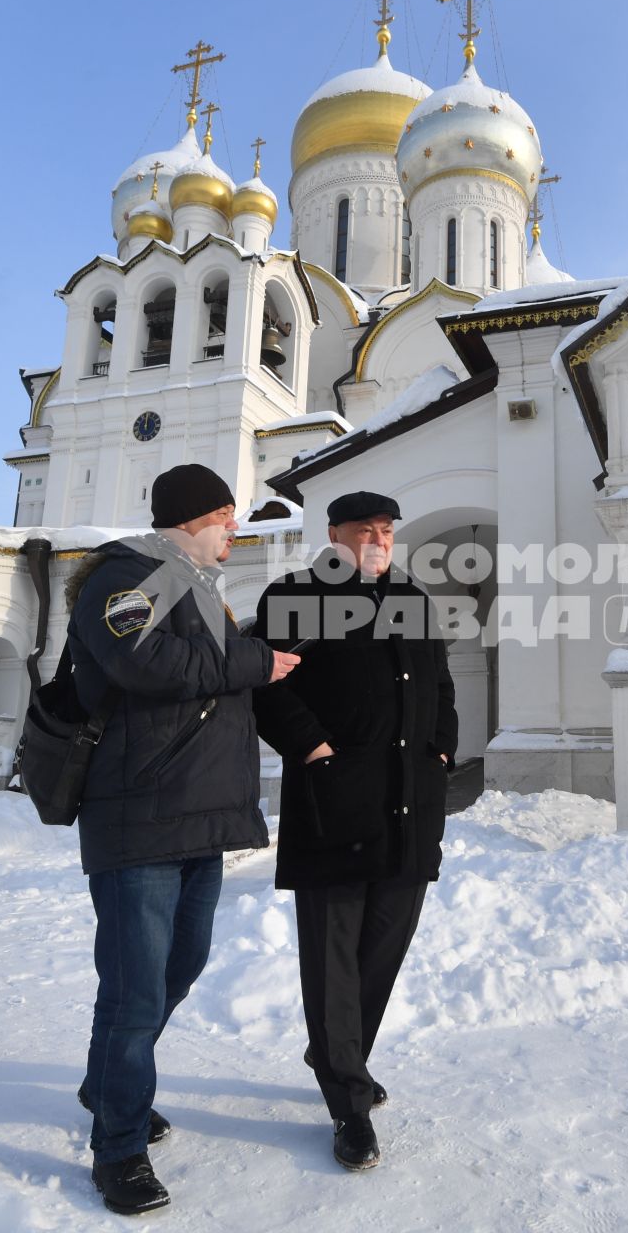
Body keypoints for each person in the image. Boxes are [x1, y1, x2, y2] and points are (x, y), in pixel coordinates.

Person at [63, 463, 299, 1215]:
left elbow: (198, 673)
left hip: (197, 814)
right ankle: (119, 1149)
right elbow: (147, 662)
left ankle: (107, 1085)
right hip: (139, 816)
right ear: (191, 519)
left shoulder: (195, 588)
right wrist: (255, 660)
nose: (234, 528)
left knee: (182, 963)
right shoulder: (132, 577)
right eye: (225, 516)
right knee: (135, 992)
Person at [251, 490, 456, 1172]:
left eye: (388, 527)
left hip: (410, 806)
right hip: (335, 803)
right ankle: (347, 1100)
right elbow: (264, 685)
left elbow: (441, 684)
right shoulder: (296, 595)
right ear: (334, 532)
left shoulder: (413, 598)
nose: (379, 536)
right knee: (334, 954)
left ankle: (339, 1053)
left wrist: (442, 751)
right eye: (365, 527)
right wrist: (312, 748)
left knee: (383, 947)